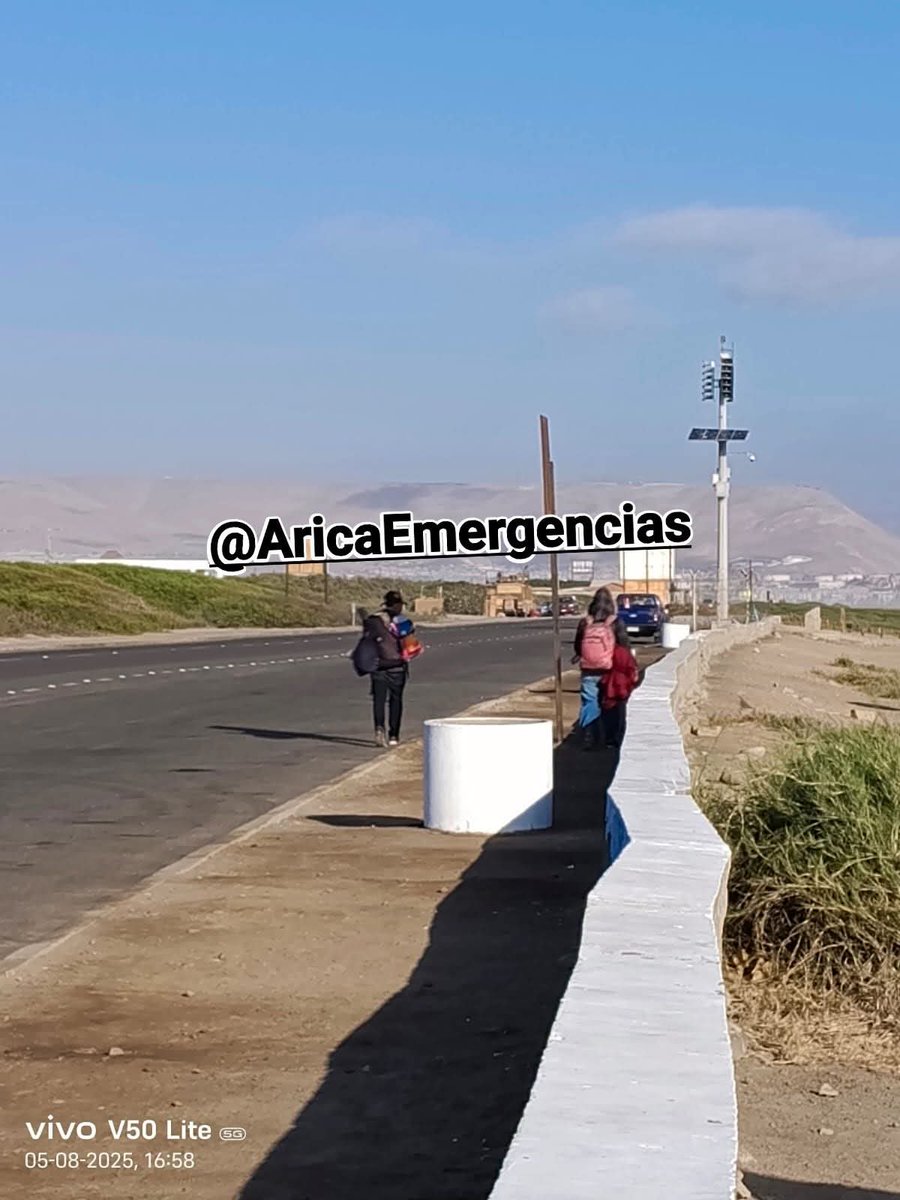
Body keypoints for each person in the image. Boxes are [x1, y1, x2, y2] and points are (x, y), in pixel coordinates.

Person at [361, 590, 414, 748]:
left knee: (378, 700)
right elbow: (410, 643)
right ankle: (394, 735)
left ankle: (379, 728)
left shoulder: (373, 619)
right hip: (397, 666)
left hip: (378, 666)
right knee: (395, 700)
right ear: (398, 605)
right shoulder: (403, 621)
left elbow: (367, 641)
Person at [571, 586, 617, 748]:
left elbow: (578, 646)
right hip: (609, 670)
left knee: (589, 702)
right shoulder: (614, 622)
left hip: (588, 669)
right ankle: (610, 740)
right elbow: (623, 646)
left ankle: (588, 737)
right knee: (611, 703)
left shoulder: (586, 623)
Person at [599, 620, 644, 779]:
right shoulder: (625, 651)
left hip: (609, 684)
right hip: (622, 686)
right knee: (620, 713)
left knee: (608, 712)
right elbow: (632, 669)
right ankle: (616, 739)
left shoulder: (609, 649)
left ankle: (608, 739)